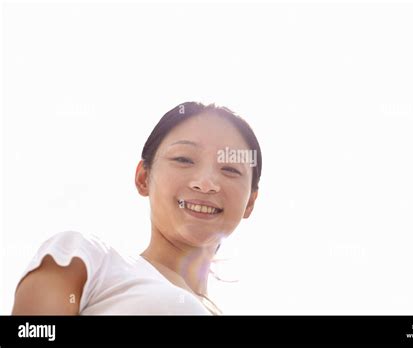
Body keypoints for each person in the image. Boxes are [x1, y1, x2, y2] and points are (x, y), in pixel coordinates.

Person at [11, 101, 262, 315]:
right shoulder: (85, 257)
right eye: (183, 159)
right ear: (143, 177)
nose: (206, 184)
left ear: (250, 201)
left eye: (230, 169)